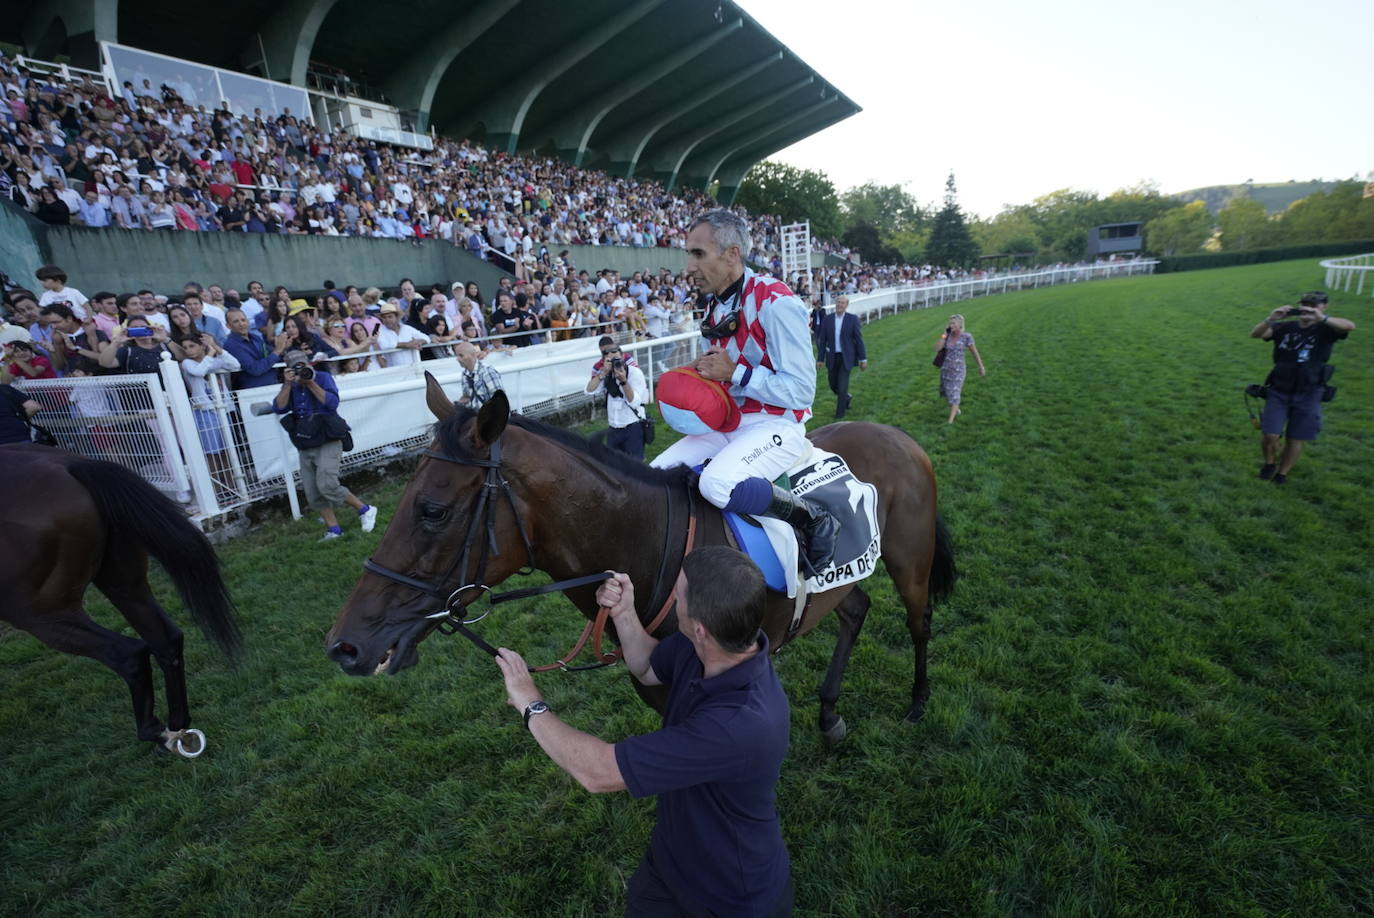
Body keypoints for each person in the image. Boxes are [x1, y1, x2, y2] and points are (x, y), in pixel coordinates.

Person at [492, 546, 793, 918]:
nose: (672, 595)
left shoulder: (739, 725)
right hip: (672, 861)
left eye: (678, 594)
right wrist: (623, 612)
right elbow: (648, 666)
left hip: (729, 896)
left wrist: (530, 703)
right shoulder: (710, 646)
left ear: (700, 628)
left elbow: (598, 773)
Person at [651, 210, 836, 574]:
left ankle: (811, 517)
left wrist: (736, 372)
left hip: (776, 427)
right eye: (689, 254)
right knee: (653, 479)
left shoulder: (775, 301)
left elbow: (802, 391)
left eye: (698, 254)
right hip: (728, 425)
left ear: (732, 254)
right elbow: (728, 370)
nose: (689, 266)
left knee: (715, 483)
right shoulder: (716, 303)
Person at [1249, 290, 1355, 484]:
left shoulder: (1327, 329)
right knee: (1270, 434)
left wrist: (1322, 318)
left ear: (1324, 307)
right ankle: (1269, 463)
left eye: (1314, 306)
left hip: (1310, 391)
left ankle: (1282, 473)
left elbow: (1349, 326)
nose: (1309, 309)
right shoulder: (1284, 327)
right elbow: (1255, 334)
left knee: (1295, 438)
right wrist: (1270, 318)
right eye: (1305, 305)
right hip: (1279, 389)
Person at [271, 349, 378, 540]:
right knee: (312, 491)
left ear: (309, 363)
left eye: (302, 365)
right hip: (305, 440)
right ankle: (334, 529)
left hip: (328, 437)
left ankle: (365, 509)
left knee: (327, 484)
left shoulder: (322, 377)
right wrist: (287, 385)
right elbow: (278, 407)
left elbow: (331, 404)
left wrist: (310, 382)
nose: (300, 370)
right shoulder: (291, 385)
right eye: (295, 367)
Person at [585, 340, 649, 460]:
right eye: (611, 360)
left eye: (617, 359)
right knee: (614, 466)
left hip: (632, 427)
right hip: (613, 428)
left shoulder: (635, 373)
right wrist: (602, 373)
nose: (616, 364)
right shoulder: (605, 373)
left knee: (635, 466)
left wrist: (623, 381)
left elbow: (635, 402)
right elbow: (589, 390)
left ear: (623, 356)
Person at [816, 295, 867, 418]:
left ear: (846, 305)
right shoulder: (828, 319)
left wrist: (863, 359)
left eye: (842, 303)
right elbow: (822, 341)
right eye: (838, 302)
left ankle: (840, 414)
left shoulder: (852, 319)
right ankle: (846, 397)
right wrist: (820, 359)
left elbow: (858, 340)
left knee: (842, 385)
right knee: (833, 385)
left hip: (847, 357)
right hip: (832, 357)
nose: (839, 304)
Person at [934, 314, 985, 424]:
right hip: (946, 370)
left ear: (960, 325)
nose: (951, 325)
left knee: (955, 394)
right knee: (949, 394)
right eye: (950, 323)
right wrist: (944, 335)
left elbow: (974, 353)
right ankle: (956, 408)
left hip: (959, 370)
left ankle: (949, 422)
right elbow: (936, 348)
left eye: (953, 323)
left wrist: (981, 366)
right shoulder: (947, 336)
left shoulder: (967, 337)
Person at [375, 303, 429, 368]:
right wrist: (406, 344)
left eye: (390, 316)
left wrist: (419, 342)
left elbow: (426, 338)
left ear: (396, 317)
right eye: (384, 317)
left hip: (413, 368)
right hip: (394, 371)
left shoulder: (407, 328)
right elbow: (383, 345)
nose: (387, 320)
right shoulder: (379, 330)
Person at [453, 341, 503, 411]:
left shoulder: (487, 371)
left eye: (461, 355)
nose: (457, 359)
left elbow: (500, 401)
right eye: (457, 355)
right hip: (475, 418)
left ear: (473, 355)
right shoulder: (464, 374)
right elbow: (467, 397)